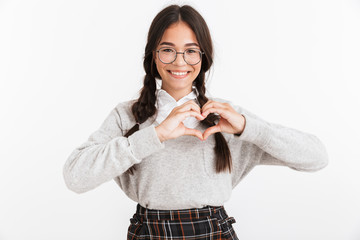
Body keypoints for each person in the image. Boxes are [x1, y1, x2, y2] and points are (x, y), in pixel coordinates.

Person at [63, 4, 329, 240]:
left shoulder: (226, 118)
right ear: (153, 55)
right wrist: (155, 135)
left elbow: (317, 157)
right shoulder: (128, 116)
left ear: (203, 57)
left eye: (191, 51)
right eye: (168, 50)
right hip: (148, 232)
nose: (180, 61)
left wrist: (249, 128)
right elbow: (75, 177)